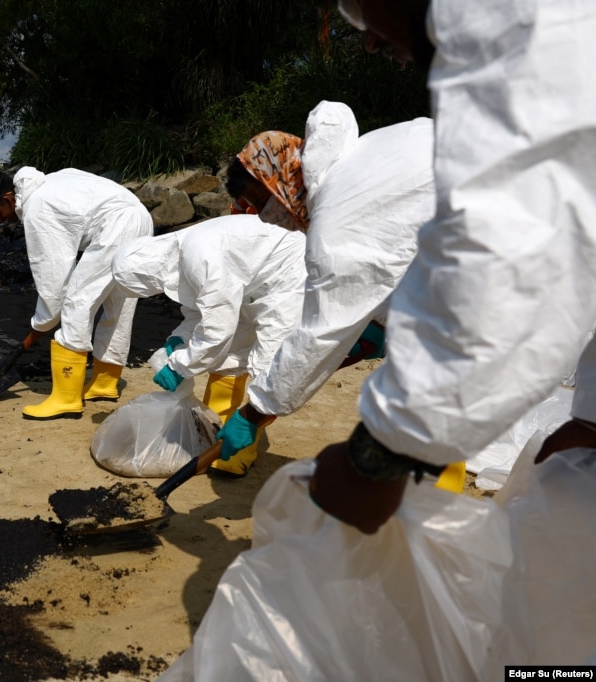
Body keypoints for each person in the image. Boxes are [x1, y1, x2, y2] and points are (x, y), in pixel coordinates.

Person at [309, 0, 596, 534]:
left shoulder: (507, 30)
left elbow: (496, 261)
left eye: (359, 8)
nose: (366, 37)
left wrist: (381, 455)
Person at [215, 99, 467, 493]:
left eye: (262, 201)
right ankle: (435, 488)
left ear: (280, 175)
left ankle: (433, 501)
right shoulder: (364, 156)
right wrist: (381, 322)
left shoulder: (337, 219)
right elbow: (398, 253)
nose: (264, 217)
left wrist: (254, 410)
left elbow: (318, 335)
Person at [111, 213, 307, 476]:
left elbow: (217, 329)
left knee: (269, 367)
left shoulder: (198, 254)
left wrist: (180, 367)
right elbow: (200, 309)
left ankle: (241, 442)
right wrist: (178, 340)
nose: (156, 292)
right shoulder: (183, 254)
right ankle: (216, 431)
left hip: (287, 276)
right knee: (232, 356)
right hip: (254, 281)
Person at [0, 167, 154, 420]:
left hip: (116, 226)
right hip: (139, 217)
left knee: (76, 301)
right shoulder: (49, 182)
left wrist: (42, 323)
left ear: (8, 199)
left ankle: (66, 399)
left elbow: (53, 280)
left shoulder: (38, 208)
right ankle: (104, 383)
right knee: (120, 303)